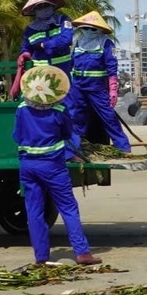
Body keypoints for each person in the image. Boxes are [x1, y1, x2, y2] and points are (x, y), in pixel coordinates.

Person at [14, 64, 99, 266]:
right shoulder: (59, 110)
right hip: (52, 165)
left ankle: (41, 257)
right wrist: (72, 155)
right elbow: (69, 135)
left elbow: (16, 135)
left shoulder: (21, 109)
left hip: (27, 165)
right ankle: (82, 253)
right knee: (68, 207)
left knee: (34, 211)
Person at [65, 11, 130, 154]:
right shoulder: (78, 42)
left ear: (100, 29)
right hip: (78, 86)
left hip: (97, 88)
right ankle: (78, 147)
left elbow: (112, 67)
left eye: (93, 28)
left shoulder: (106, 43)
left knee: (108, 116)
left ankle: (123, 146)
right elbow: (71, 63)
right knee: (77, 116)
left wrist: (113, 89)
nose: (88, 31)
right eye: (85, 28)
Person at [14, 0, 73, 96]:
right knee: (42, 99)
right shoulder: (30, 28)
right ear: (34, 11)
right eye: (39, 7)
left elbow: (66, 39)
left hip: (63, 68)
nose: (44, 9)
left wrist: (43, 45)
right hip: (39, 71)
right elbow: (26, 47)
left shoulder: (63, 20)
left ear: (52, 6)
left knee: (66, 99)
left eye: (46, 5)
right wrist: (24, 53)